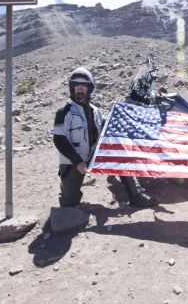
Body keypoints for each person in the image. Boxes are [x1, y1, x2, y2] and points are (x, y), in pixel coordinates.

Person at [52, 67, 156, 207]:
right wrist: (77, 161)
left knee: (121, 152)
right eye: (76, 86)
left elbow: (108, 127)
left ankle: (136, 194)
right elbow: (59, 139)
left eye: (83, 86)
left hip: (92, 156)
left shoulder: (96, 111)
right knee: (69, 203)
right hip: (73, 162)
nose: (80, 90)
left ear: (90, 89)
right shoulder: (64, 112)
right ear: (71, 89)